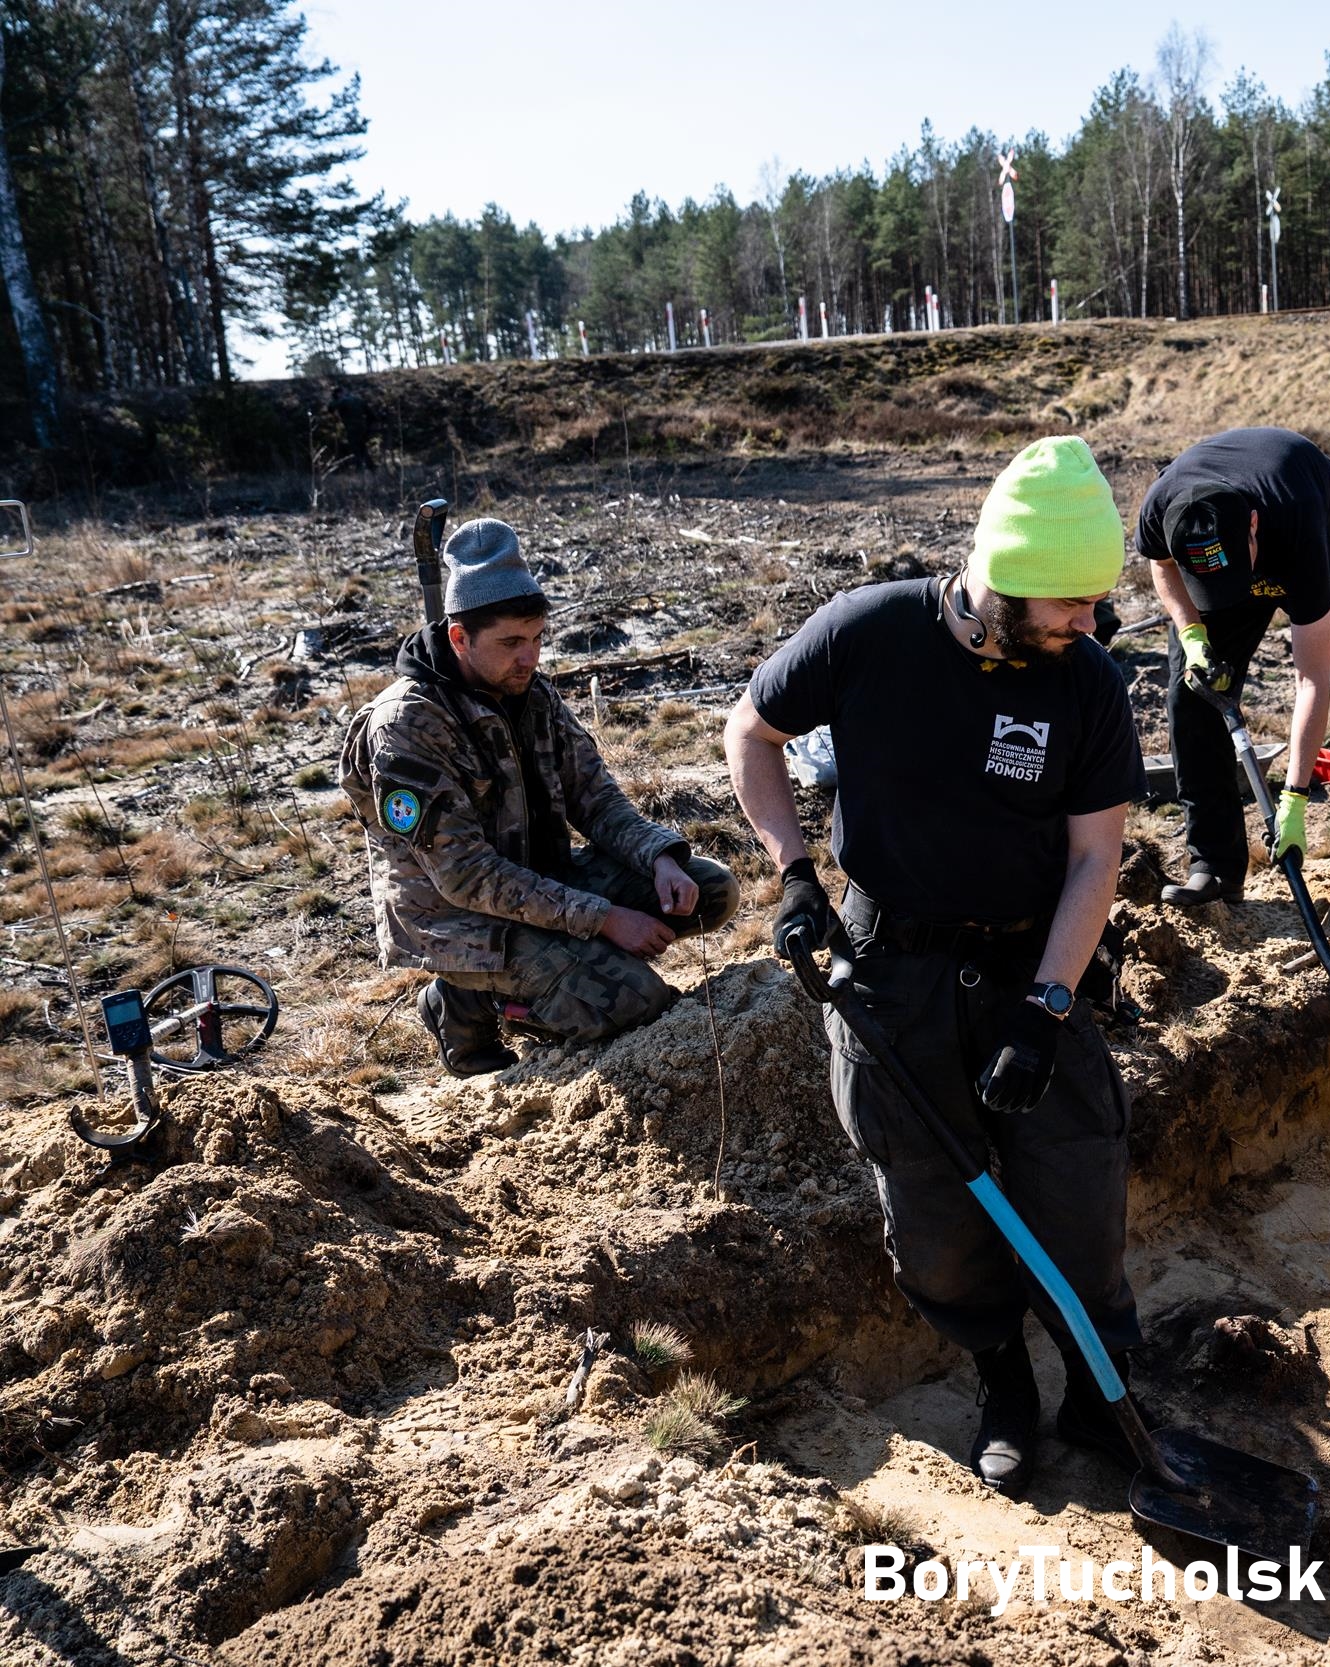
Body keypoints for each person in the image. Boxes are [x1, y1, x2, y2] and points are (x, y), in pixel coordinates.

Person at [723, 436, 1145, 1500]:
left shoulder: (1088, 681)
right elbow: (751, 731)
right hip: (892, 969)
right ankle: (1003, 1379)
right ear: (1002, 582)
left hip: (1032, 957)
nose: (1093, 620)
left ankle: (1101, 1391)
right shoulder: (867, 632)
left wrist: (1047, 1007)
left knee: (1077, 1179)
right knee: (932, 1208)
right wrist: (794, 875)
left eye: (1098, 598)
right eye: (1071, 602)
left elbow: (1095, 858)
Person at [341, 518, 739, 1077]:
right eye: (510, 643)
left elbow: (595, 799)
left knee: (710, 891)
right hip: (455, 918)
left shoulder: (530, 692)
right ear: (460, 638)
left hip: (538, 878)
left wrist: (659, 859)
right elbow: (465, 877)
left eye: (536, 639)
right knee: (633, 1001)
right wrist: (602, 919)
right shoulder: (406, 727)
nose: (529, 658)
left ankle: (551, 971)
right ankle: (467, 1000)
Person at [1135, 425, 1330, 921]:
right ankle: (1214, 864)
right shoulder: (1161, 506)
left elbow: (1311, 680)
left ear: (1253, 525)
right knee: (1191, 697)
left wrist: (1295, 797)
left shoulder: (1299, 525)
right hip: (1234, 549)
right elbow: (1162, 565)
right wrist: (1192, 635)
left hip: (1317, 533)